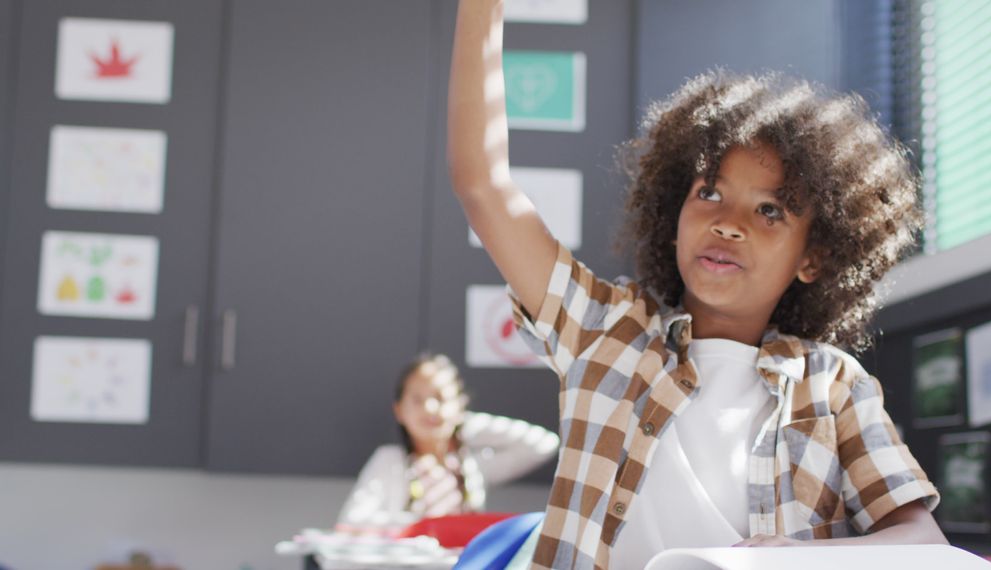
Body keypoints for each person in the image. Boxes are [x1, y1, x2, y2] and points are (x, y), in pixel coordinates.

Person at [447, 1, 948, 568]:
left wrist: (802, 557)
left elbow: (922, 541)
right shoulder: (602, 329)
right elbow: (483, 185)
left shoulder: (833, 385)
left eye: (770, 211)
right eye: (709, 191)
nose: (728, 222)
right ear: (672, 215)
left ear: (814, 257)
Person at [335, 353, 559, 531]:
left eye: (441, 398)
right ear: (399, 410)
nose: (430, 408)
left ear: (460, 405)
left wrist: (464, 424)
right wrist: (420, 528)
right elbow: (351, 522)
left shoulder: (473, 464)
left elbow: (543, 444)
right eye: (417, 399)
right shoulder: (389, 461)